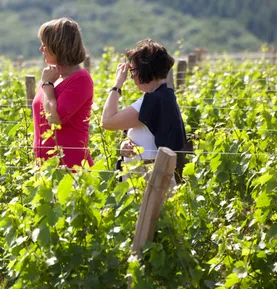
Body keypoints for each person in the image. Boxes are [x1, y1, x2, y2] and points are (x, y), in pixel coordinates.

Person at [100, 39, 186, 179]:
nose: (131, 75)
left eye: (133, 70)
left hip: (148, 177)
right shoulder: (164, 97)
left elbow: (107, 121)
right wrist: (125, 144)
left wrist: (117, 85)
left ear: (145, 69)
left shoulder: (153, 101)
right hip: (151, 174)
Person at [32, 18, 94, 169]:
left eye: (45, 44)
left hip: (70, 167)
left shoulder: (80, 79)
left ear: (58, 46)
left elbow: (54, 119)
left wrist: (47, 85)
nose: (41, 49)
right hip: (45, 169)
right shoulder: (52, 76)